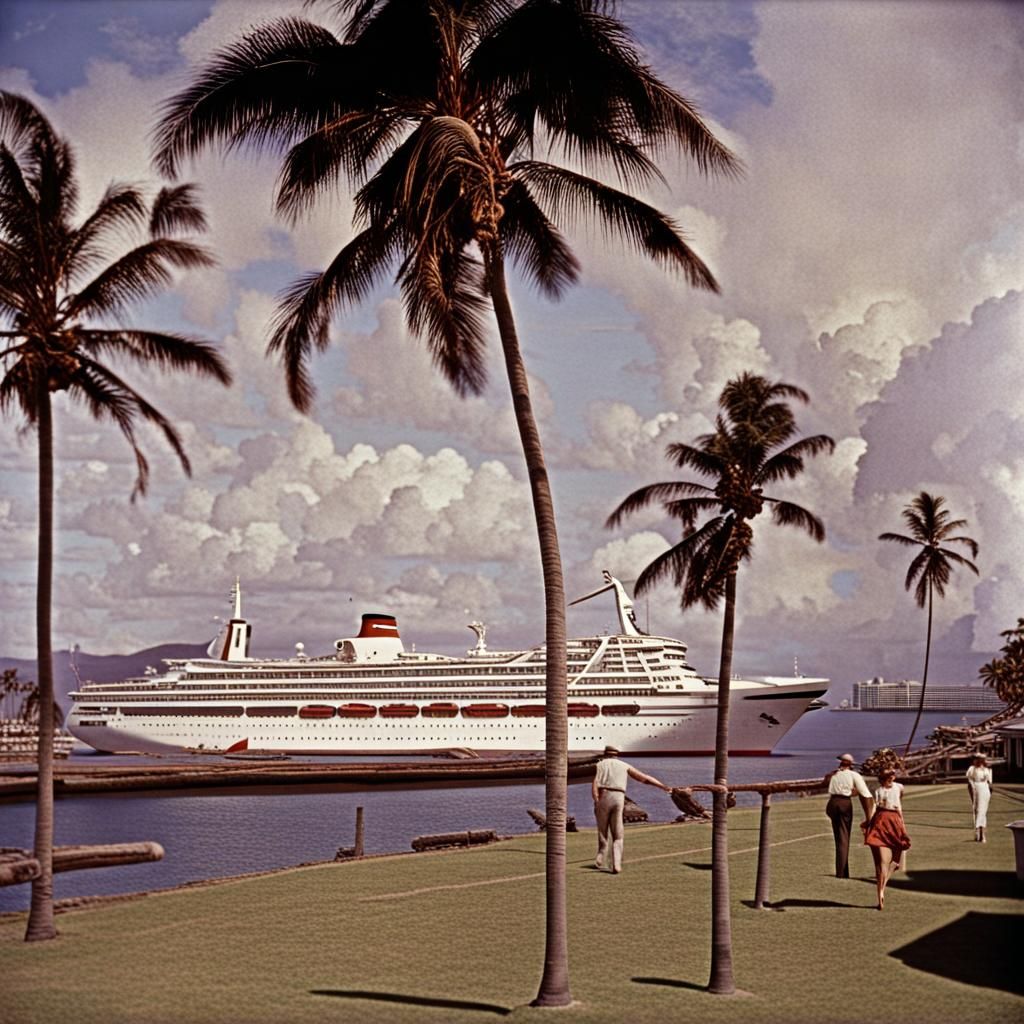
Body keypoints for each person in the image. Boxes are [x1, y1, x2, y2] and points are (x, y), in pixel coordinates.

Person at [592, 745, 671, 873]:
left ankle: (601, 854)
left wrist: (596, 800)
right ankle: (616, 864)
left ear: (605, 754)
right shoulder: (624, 765)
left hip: (604, 795)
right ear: (617, 754)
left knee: (602, 830)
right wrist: (663, 787)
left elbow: (595, 784)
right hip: (619, 796)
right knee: (618, 834)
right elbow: (645, 778)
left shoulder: (600, 765)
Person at [862, 768, 911, 910]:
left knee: (895, 862)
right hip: (883, 821)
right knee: (883, 862)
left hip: (895, 822)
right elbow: (875, 809)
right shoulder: (878, 791)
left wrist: (903, 826)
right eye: (888, 776)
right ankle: (880, 893)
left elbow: (900, 804)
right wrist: (868, 823)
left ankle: (882, 886)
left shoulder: (899, 787)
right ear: (883, 778)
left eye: (892, 776)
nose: (891, 778)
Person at [824, 753, 874, 878]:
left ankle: (841, 871)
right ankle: (842, 873)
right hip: (844, 803)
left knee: (838, 837)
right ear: (851, 765)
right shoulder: (854, 775)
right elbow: (866, 795)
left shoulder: (833, 774)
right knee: (844, 837)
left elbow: (826, 783)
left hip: (832, 803)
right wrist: (869, 817)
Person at [966, 753, 993, 843]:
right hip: (977, 789)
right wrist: (973, 788)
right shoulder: (972, 769)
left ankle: (980, 833)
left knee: (983, 811)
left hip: (985, 790)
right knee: (979, 811)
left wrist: (990, 791)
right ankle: (979, 832)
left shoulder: (987, 769)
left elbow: (990, 782)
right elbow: (969, 780)